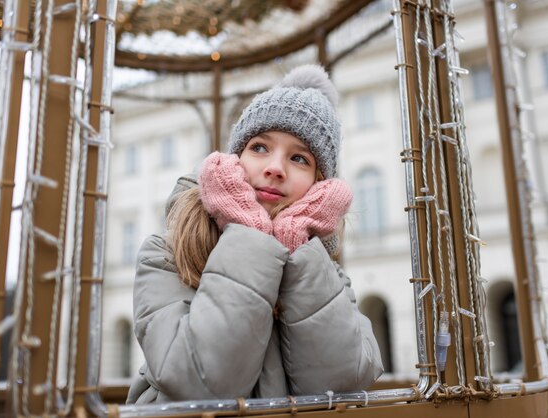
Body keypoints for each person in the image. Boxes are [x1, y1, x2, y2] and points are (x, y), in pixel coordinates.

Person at [127, 65, 383, 404]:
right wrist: (251, 233)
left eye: (298, 158)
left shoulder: (322, 266)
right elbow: (201, 381)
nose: (275, 167)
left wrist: (295, 248)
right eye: (260, 147)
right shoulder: (165, 253)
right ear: (235, 159)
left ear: (318, 185)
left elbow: (341, 379)